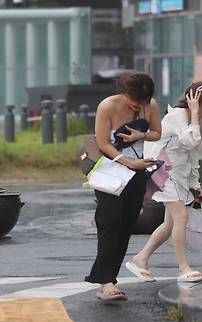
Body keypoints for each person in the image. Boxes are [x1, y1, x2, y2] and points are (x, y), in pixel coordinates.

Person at [126, 82, 202, 284]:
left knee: (170, 223)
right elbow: (190, 142)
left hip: (177, 174)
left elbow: (192, 154)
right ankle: (183, 268)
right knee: (181, 216)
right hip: (161, 170)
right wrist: (194, 113)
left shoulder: (199, 122)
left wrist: (195, 183)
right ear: (192, 101)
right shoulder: (178, 116)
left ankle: (140, 259)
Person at [85, 72, 162, 301]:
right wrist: (127, 161)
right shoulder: (107, 106)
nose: (139, 105)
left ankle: (107, 278)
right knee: (110, 221)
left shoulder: (151, 106)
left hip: (137, 171)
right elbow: (102, 143)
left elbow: (157, 133)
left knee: (127, 224)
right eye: (136, 100)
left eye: (144, 101)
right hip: (109, 171)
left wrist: (142, 135)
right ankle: (107, 283)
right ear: (126, 92)